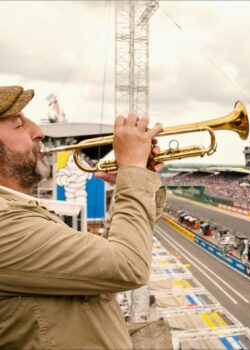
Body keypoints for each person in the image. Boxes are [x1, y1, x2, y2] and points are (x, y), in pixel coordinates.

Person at [0, 86, 166, 349]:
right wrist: (133, 172)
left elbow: (103, 268)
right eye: (19, 125)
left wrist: (132, 180)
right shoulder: (5, 226)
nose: (39, 132)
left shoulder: (19, 212)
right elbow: (128, 265)